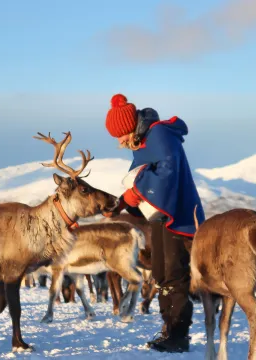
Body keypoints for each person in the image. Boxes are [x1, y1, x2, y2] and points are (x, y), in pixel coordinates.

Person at [103, 93, 205, 353]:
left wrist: (134, 192)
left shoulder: (159, 135)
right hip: (160, 217)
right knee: (159, 274)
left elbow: (166, 173)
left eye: (121, 134)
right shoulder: (143, 142)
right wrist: (123, 203)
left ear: (131, 127)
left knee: (174, 274)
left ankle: (178, 335)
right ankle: (168, 329)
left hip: (178, 216)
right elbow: (141, 179)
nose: (120, 141)